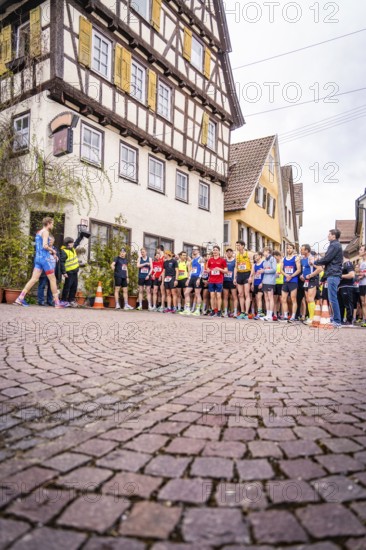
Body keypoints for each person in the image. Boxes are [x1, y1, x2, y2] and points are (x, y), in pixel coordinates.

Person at [15, 217, 68, 308]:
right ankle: (57, 303)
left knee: (34, 279)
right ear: (48, 223)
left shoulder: (39, 232)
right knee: (53, 279)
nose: (52, 225)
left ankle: (20, 298)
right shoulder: (46, 232)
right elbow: (45, 246)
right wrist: (53, 251)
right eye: (52, 223)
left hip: (38, 258)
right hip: (45, 259)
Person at [314, 229, 344, 328]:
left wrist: (316, 262)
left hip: (334, 274)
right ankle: (336, 319)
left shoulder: (334, 245)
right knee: (332, 298)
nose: (328, 236)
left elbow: (327, 258)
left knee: (333, 298)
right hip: (332, 273)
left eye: (329, 234)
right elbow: (328, 262)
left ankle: (337, 321)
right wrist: (323, 278)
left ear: (334, 236)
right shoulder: (335, 245)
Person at [60, 233, 86, 307]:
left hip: (75, 271)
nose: (73, 243)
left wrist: (81, 236)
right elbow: (62, 262)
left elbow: (77, 242)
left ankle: (71, 300)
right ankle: (64, 301)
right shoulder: (64, 251)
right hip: (69, 272)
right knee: (67, 287)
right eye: (71, 242)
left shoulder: (72, 248)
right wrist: (63, 272)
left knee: (74, 286)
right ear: (68, 244)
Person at [300, 244, 322, 326]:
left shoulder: (311, 258)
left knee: (311, 298)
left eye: (302, 250)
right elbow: (305, 269)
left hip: (313, 280)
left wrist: (311, 275)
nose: (301, 251)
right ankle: (310, 317)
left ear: (307, 250)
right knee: (307, 299)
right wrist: (302, 275)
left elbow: (320, 269)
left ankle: (313, 318)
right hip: (306, 281)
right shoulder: (303, 259)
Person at [280, 243, 301, 322]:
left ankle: (293, 316)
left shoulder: (296, 258)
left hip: (293, 280)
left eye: (290, 248)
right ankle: (285, 315)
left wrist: (291, 276)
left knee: (293, 299)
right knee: (283, 299)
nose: (289, 250)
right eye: (287, 248)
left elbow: (299, 269)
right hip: (286, 281)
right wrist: (286, 275)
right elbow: (281, 270)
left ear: (293, 249)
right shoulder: (283, 259)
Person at [37, 236, 60, 306]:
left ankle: (50, 301)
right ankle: (41, 301)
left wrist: (56, 257)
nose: (50, 241)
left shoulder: (55, 249)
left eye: (51, 240)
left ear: (53, 241)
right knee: (42, 285)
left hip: (52, 271)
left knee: (51, 287)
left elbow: (58, 259)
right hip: (44, 271)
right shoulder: (43, 248)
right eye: (48, 240)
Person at [207, 245, 228, 317]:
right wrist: (208, 270)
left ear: (219, 251)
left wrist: (219, 269)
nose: (215, 251)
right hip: (211, 280)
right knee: (212, 295)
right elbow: (208, 269)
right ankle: (213, 310)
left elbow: (226, 271)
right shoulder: (210, 260)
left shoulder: (222, 260)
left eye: (216, 250)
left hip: (219, 280)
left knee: (218, 296)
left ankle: (219, 311)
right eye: (214, 250)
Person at [234, 241, 252, 319]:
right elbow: (235, 267)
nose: (237, 247)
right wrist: (235, 277)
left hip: (247, 274)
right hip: (240, 274)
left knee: (247, 294)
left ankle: (246, 312)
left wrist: (251, 276)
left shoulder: (248, 254)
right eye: (236, 245)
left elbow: (252, 267)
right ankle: (242, 311)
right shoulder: (237, 255)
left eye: (238, 245)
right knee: (240, 294)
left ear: (243, 246)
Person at [337, 251, 355, 326]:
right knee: (341, 305)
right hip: (341, 287)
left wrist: (341, 276)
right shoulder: (343, 265)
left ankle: (349, 320)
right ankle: (340, 320)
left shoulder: (348, 264)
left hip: (347, 286)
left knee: (348, 304)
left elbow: (352, 275)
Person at [186, 246, 204, 317]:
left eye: (195, 250)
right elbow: (191, 270)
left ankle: (197, 310)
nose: (193, 251)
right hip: (192, 277)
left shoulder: (201, 259)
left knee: (197, 294)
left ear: (198, 251)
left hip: (197, 277)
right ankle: (187, 309)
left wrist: (199, 278)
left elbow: (202, 270)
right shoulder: (193, 260)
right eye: (193, 250)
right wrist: (188, 279)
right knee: (186, 292)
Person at [260, 247, 277, 321]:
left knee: (270, 298)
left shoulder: (272, 259)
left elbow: (274, 269)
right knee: (266, 298)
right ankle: (267, 314)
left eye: (264, 251)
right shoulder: (264, 260)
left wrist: (264, 271)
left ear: (268, 251)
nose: (263, 253)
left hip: (271, 281)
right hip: (265, 281)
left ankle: (270, 315)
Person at [223, 248, 238, 318]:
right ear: (226, 253)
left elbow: (236, 270)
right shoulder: (224, 261)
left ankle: (235, 312)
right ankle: (225, 312)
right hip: (225, 280)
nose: (229, 253)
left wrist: (235, 278)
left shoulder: (235, 261)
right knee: (225, 296)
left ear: (232, 253)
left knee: (234, 296)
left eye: (230, 252)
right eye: (227, 252)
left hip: (232, 280)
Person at [251, 252, 264, 319]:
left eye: (256, 255)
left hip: (261, 283)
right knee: (257, 299)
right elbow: (253, 274)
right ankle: (259, 312)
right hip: (255, 283)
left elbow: (265, 274)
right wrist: (252, 284)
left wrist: (262, 283)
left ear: (260, 256)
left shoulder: (263, 263)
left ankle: (259, 313)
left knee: (259, 298)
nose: (255, 257)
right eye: (255, 256)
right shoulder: (254, 265)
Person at [273, 250, 283, 321]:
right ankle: (275, 314)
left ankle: (281, 313)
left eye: (276, 256)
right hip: (274, 283)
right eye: (274, 257)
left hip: (281, 283)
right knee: (274, 300)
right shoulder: (272, 264)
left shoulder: (282, 263)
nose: (275, 258)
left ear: (279, 256)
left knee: (282, 300)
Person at [358, 245, 366, 327]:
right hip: (361, 284)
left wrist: (364, 274)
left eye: (361, 250)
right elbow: (359, 272)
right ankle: (365, 319)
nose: (359, 251)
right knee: (363, 303)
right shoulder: (360, 262)